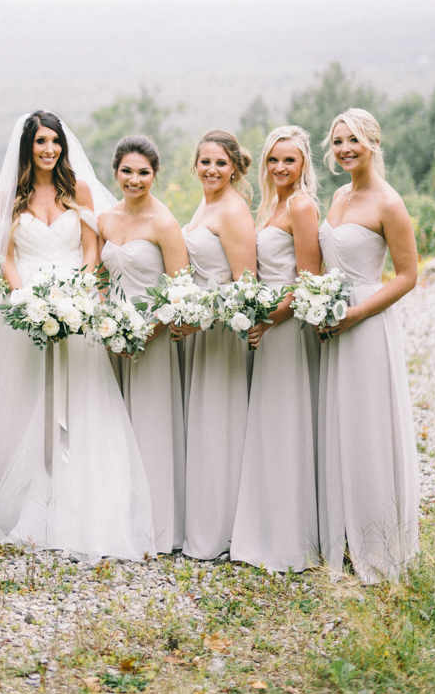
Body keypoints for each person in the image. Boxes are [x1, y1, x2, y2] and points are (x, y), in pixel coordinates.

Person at [0, 111, 155, 560]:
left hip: (77, 311)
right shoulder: (13, 195)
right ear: (28, 147)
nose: (48, 149)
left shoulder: (77, 190)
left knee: (82, 404)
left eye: (54, 141)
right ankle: (32, 503)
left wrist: (78, 298)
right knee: (29, 400)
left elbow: (93, 252)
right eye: (40, 142)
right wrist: (26, 304)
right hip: (29, 313)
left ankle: (82, 507)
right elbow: (7, 256)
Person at [318, 108, 419, 582]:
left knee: (368, 425)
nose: (345, 149)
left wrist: (357, 312)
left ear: (373, 142)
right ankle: (341, 533)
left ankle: (377, 543)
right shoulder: (338, 195)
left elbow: (407, 276)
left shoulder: (387, 202)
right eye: (338, 142)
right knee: (338, 421)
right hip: (330, 318)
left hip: (366, 319)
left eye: (353, 140)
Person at [230, 126, 321, 571]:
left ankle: (290, 541)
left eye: (290, 160)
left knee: (285, 425)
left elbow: (308, 279)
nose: (281, 168)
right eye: (273, 160)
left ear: (304, 163)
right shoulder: (270, 206)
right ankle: (266, 528)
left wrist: (269, 321)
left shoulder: (301, 206)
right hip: (265, 326)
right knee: (268, 424)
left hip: (284, 329)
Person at [98, 135, 188, 553]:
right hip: (109, 336)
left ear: (155, 174)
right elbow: (99, 277)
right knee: (112, 428)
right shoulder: (106, 219)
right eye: (127, 171)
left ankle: (154, 529)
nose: (134, 180)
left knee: (148, 429)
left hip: (149, 338)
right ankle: (115, 518)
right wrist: (107, 326)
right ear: (115, 171)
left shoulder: (163, 223)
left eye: (143, 172)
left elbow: (179, 289)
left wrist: (142, 333)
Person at [175, 129, 257, 560]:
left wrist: (200, 317)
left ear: (234, 168)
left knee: (219, 427)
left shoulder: (233, 210)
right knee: (203, 427)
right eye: (205, 162)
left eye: (220, 164)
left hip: (221, 334)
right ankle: (203, 521)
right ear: (195, 165)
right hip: (198, 331)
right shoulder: (205, 203)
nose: (211, 170)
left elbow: (245, 286)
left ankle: (222, 529)